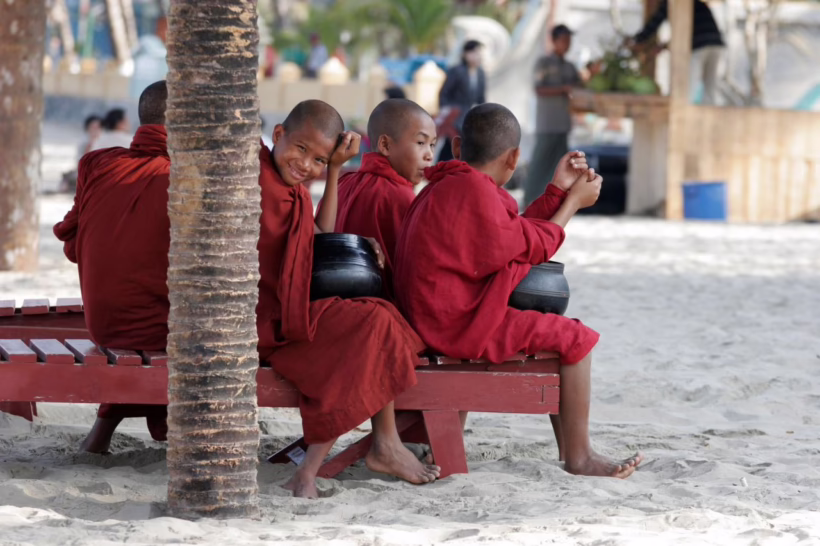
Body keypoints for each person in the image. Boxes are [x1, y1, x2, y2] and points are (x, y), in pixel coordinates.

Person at [393, 103, 643, 479]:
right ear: (514, 158)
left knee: (562, 333)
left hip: (434, 315)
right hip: (454, 325)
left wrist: (557, 190)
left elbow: (514, 237)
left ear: (457, 148)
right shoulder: (474, 191)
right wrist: (573, 203)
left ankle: (574, 450)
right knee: (578, 339)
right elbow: (533, 245)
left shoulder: (446, 186)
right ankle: (579, 456)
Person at [257, 99, 440, 498]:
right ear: (277, 135)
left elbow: (318, 234)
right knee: (378, 326)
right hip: (265, 321)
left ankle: (375, 446)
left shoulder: (294, 189)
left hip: (286, 310)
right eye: (301, 150)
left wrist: (336, 169)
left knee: (379, 319)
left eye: (319, 160)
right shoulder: (256, 185)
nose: (306, 166)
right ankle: (356, 454)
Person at [53, 81, 171, 453]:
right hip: (153, 328)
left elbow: (70, 240)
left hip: (102, 322)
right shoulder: (186, 178)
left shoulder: (98, 163)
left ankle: (102, 432)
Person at [327, 98, 436, 299]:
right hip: (380, 311)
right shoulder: (400, 196)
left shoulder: (345, 182)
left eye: (432, 145)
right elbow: (411, 277)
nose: (429, 155)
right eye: (421, 142)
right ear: (385, 144)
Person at [525, 24, 582, 207]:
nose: (567, 44)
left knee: (560, 166)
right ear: (554, 41)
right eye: (564, 40)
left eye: (569, 41)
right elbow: (538, 89)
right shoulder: (543, 63)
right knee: (540, 162)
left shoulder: (570, 66)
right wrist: (562, 89)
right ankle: (529, 200)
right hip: (547, 123)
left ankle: (552, 201)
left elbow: (580, 86)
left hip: (563, 123)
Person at [630, 0, 724, 106]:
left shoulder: (671, 3)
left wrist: (638, 40)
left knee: (689, 84)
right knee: (710, 86)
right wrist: (662, 46)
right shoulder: (695, 4)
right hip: (716, 43)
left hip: (699, 45)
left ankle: (686, 112)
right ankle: (707, 113)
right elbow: (684, 31)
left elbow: (655, 23)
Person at [437, 39, 486, 162]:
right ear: (465, 54)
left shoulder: (481, 74)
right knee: (451, 145)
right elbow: (444, 93)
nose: (477, 56)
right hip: (455, 117)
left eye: (479, 53)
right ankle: (440, 168)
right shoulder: (457, 71)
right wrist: (447, 110)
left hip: (469, 118)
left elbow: (481, 98)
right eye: (474, 52)